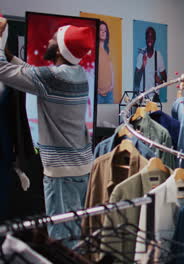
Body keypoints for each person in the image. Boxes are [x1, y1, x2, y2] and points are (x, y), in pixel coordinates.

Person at [0, 18, 94, 247]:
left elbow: (3, 71)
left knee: (62, 237)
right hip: (81, 166)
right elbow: (31, 72)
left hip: (62, 172)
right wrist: (8, 52)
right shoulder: (76, 73)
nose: (49, 40)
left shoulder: (53, 78)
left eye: (54, 39)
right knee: (74, 229)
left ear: (61, 49)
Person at [134, 26, 167, 93]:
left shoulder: (158, 56)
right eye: (148, 37)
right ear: (145, 38)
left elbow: (165, 79)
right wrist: (143, 66)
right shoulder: (141, 54)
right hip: (142, 96)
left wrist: (160, 81)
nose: (150, 39)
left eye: (152, 37)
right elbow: (136, 80)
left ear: (155, 39)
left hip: (154, 97)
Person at [97, 21, 114, 104]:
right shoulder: (94, 49)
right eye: (101, 30)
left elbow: (111, 69)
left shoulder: (107, 50)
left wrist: (112, 85)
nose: (103, 32)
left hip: (109, 93)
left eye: (105, 30)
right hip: (98, 93)